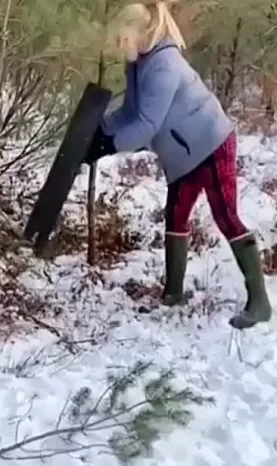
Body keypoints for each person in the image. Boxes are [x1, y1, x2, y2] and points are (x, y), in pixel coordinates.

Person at [86, 0, 272, 330]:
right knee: (175, 217)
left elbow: (146, 125)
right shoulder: (138, 65)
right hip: (183, 155)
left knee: (226, 217)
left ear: (141, 33)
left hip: (211, 144)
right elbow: (129, 114)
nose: (119, 47)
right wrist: (100, 131)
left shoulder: (165, 64)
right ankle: (173, 295)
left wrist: (107, 146)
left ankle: (259, 302)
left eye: (122, 39)